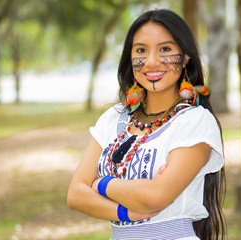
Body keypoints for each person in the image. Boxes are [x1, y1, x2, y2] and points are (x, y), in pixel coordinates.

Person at [67, 9, 226, 240]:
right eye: (141, 50)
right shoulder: (113, 119)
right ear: (130, 59)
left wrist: (101, 183)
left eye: (165, 49)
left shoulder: (195, 121)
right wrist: (127, 212)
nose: (152, 62)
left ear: (185, 58)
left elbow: (155, 197)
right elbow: (75, 194)